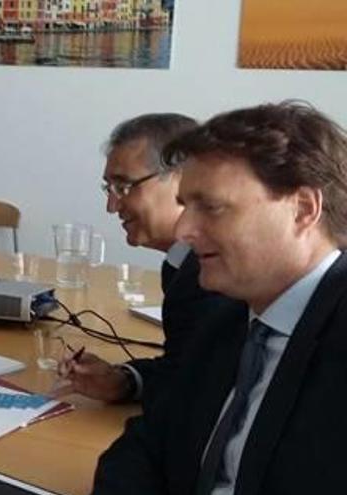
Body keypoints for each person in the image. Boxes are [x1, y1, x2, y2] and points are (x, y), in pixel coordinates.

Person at [93, 101, 347, 494]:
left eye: (210, 208)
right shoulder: (227, 319)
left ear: (302, 209)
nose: (185, 230)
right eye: (185, 206)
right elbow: (143, 450)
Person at [58, 113, 233, 408]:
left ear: (183, 180)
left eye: (124, 186)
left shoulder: (218, 276)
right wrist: (124, 380)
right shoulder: (179, 263)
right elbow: (185, 369)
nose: (111, 206)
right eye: (109, 189)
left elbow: (198, 394)